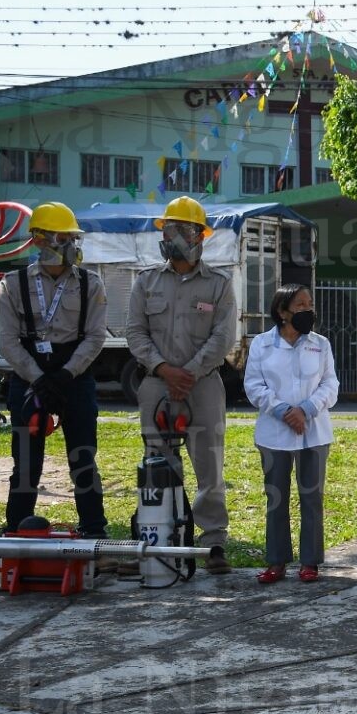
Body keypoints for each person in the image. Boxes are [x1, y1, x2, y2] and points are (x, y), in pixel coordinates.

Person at [125, 196, 237, 574]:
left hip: (203, 385)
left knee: (209, 464)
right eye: (168, 230)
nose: (173, 237)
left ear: (200, 237)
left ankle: (213, 542)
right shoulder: (146, 282)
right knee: (160, 463)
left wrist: (187, 372)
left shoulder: (219, 285)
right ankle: (166, 536)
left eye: (181, 230)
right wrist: (163, 369)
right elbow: (135, 333)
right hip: (156, 384)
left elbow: (223, 336)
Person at [0, 202, 109, 536]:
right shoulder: (13, 285)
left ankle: (94, 531)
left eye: (73, 237)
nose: (71, 245)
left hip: (74, 377)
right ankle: (15, 532)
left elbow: (95, 337)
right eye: (63, 237)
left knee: (83, 459)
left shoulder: (91, 284)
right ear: (40, 241)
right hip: (29, 379)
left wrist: (64, 375)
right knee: (26, 465)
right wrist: (38, 378)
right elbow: (8, 342)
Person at [244, 284, 339, 584]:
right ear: (283, 311)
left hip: (314, 431)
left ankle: (310, 562)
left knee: (312, 498)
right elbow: (254, 386)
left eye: (310, 303)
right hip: (274, 433)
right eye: (300, 304)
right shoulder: (261, 344)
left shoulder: (320, 344)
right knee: (276, 498)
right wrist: (285, 411)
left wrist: (307, 409)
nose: (308, 310)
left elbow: (330, 384)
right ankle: (277, 562)